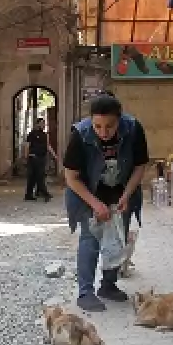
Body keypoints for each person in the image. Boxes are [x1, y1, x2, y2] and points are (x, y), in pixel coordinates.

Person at [63, 94, 150, 312]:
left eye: (109, 127)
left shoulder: (133, 129)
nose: (103, 133)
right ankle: (85, 292)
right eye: (97, 126)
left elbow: (140, 166)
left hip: (121, 191)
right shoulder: (81, 134)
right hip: (88, 192)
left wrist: (127, 195)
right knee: (90, 239)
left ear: (120, 120)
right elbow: (71, 177)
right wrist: (95, 204)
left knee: (119, 238)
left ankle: (108, 286)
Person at [23, 118, 56, 201]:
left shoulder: (45, 135)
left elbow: (48, 146)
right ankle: (32, 194)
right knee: (32, 177)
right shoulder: (32, 134)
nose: (43, 125)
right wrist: (26, 156)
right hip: (33, 157)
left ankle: (40, 192)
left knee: (40, 176)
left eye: (43, 124)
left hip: (41, 158)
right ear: (37, 124)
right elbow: (27, 145)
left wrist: (54, 155)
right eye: (41, 123)